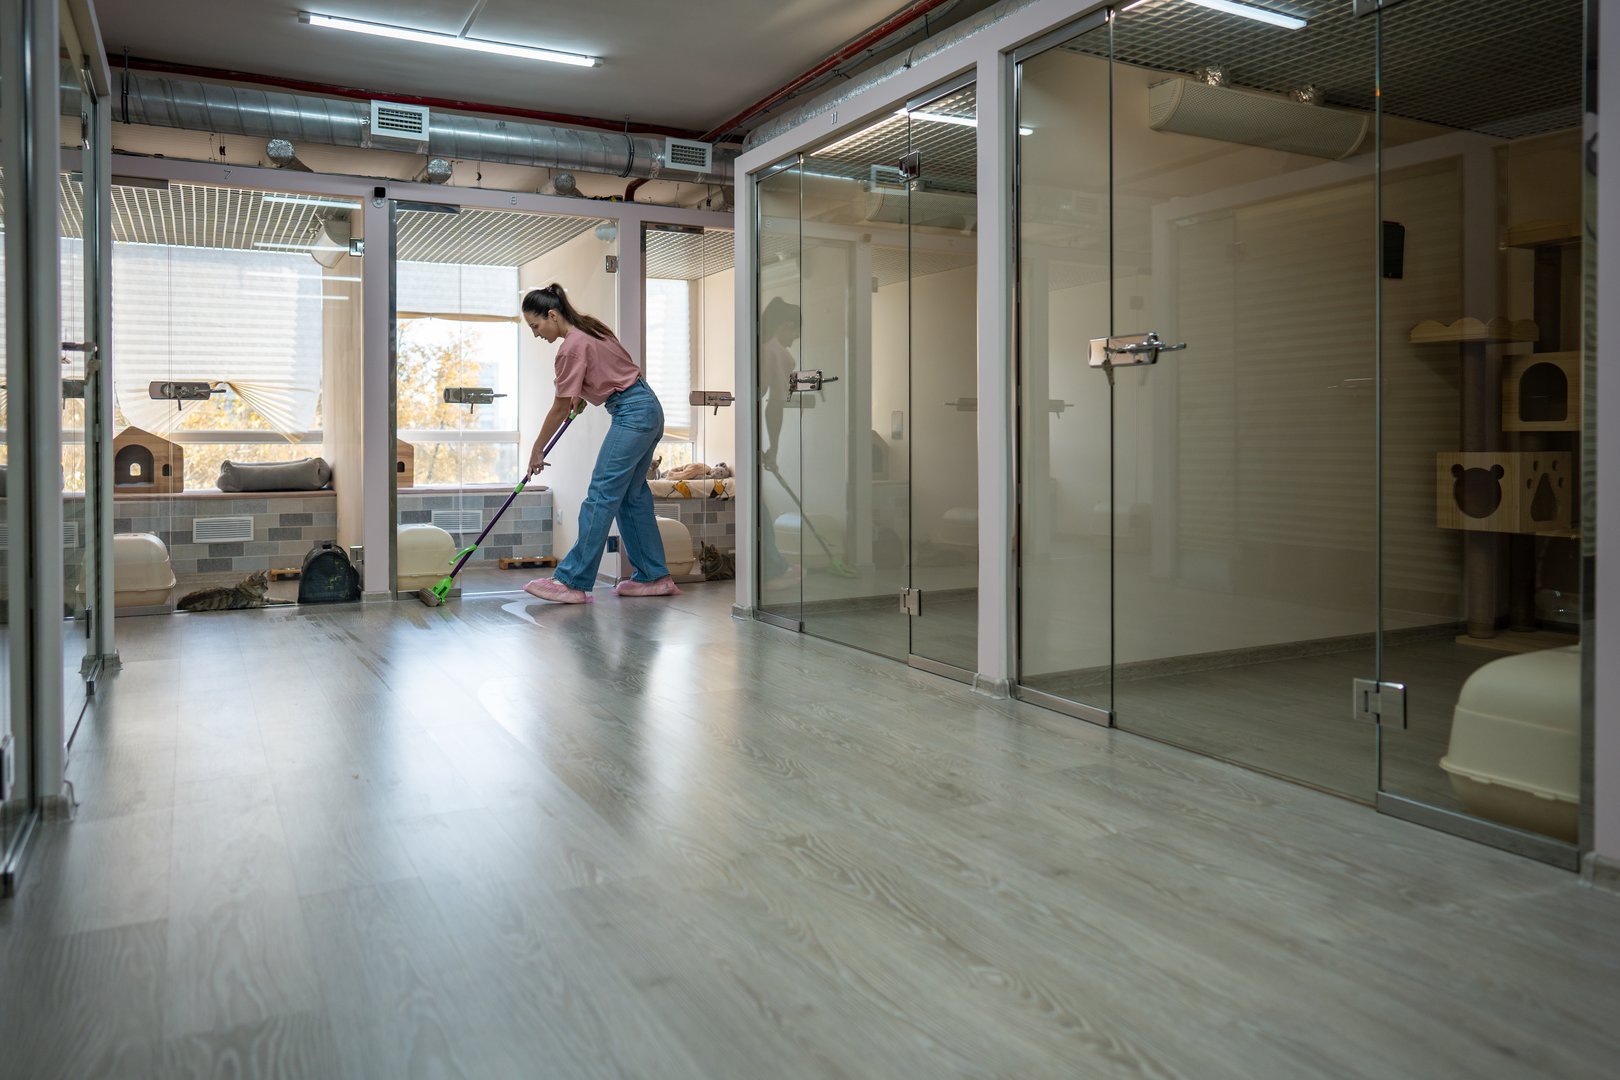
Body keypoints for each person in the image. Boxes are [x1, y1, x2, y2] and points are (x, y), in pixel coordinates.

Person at [520, 283, 678, 603]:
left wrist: (536, 448)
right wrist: (582, 393)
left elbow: (560, 407)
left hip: (631, 413)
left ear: (552, 315)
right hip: (646, 406)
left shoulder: (570, 347)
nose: (536, 334)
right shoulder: (590, 327)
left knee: (601, 495)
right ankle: (653, 576)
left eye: (536, 326)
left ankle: (573, 581)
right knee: (630, 497)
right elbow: (606, 371)